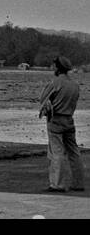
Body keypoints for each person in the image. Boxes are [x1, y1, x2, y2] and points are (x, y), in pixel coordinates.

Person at [39, 56, 84, 193]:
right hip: (70, 120)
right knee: (74, 152)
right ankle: (78, 183)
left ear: (58, 67)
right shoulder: (75, 85)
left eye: (54, 66)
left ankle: (57, 184)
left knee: (56, 152)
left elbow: (43, 99)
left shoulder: (55, 83)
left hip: (56, 120)